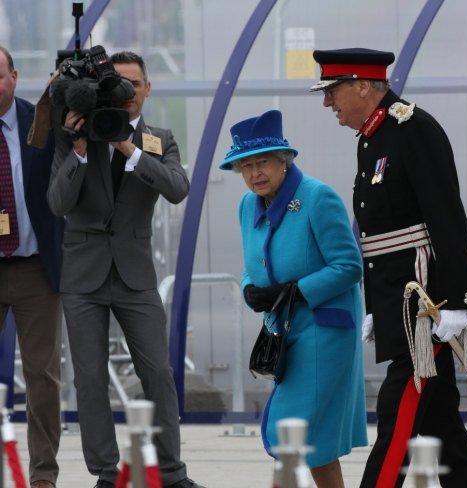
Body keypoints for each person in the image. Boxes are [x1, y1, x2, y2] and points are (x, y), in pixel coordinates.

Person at [310, 47, 467, 487]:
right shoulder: (372, 137)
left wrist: (454, 305)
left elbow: (446, 219)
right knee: (440, 427)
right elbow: (378, 237)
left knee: (399, 415)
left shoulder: (414, 129)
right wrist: (376, 305)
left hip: (429, 304)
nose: (327, 103)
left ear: (362, 85)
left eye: (332, 91)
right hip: (402, 299)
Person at [46, 51, 205, 488]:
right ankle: (108, 473)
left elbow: (177, 188)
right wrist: (79, 150)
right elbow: (58, 203)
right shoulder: (76, 134)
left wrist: (128, 148)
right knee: (91, 377)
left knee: (157, 372)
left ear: (148, 89)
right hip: (83, 276)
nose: (128, 93)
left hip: (135, 275)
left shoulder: (160, 138)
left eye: (135, 84)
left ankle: (170, 473)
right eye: (119, 84)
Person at [219, 109, 368, 488]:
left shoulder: (317, 197)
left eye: (263, 161)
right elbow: (255, 263)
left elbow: (350, 266)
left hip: (324, 332)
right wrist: (249, 286)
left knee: (291, 434)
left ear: (283, 160)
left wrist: (295, 291)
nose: (255, 173)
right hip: (283, 333)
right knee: (314, 445)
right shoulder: (246, 206)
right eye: (246, 166)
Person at [0, 46, 64, 488]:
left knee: (42, 377)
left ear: (14, 76)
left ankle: (43, 475)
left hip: (35, 269)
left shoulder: (39, 120)